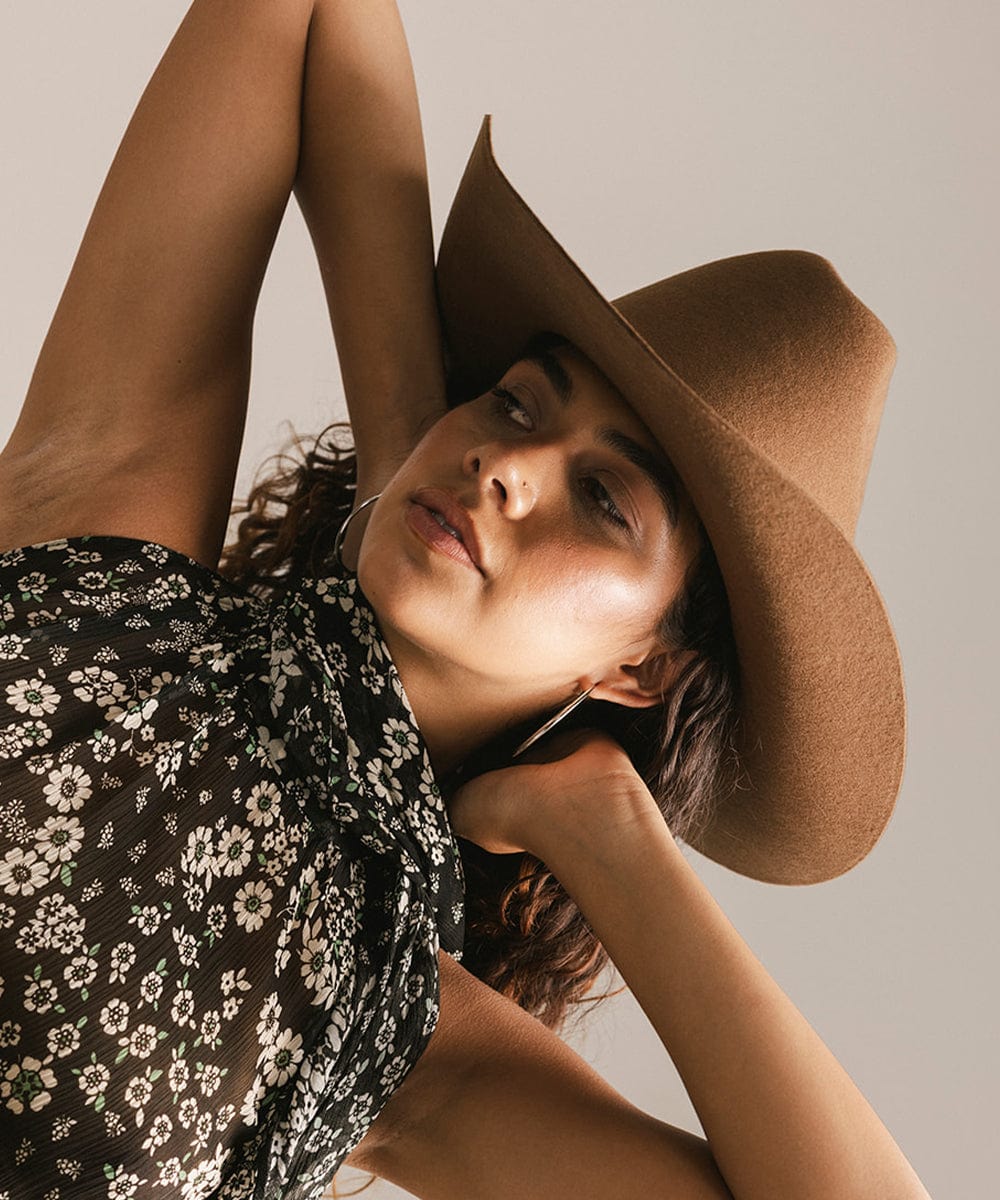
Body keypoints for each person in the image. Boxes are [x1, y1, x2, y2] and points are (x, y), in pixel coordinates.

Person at [0, 1, 931, 1198]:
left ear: (639, 669)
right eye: (515, 401)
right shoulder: (112, 569)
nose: (510, 462)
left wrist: (614, 840)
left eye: (602, 498)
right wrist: (406, 433)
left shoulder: (395, 1039)